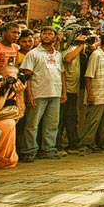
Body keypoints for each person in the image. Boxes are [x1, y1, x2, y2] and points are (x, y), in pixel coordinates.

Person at [19, 26, 66, 161]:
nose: (46, 36)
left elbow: (61, 74)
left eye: (50, 34)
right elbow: (27, 76)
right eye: (44, 33)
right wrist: (29, 95)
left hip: (55, 93)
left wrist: (64, 92)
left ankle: (48, 149)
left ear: (55, 37)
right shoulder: (33, 53)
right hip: (38, 93)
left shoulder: (58, 54)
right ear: (40, 36)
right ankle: (29, 151)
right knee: (32, 124)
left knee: (52, 124)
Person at [80, 33, 104, 153]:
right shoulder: (96, 55)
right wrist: (90, 94)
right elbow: (88, 76)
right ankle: (86, 144)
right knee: (93, 121)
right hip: (97, 94)